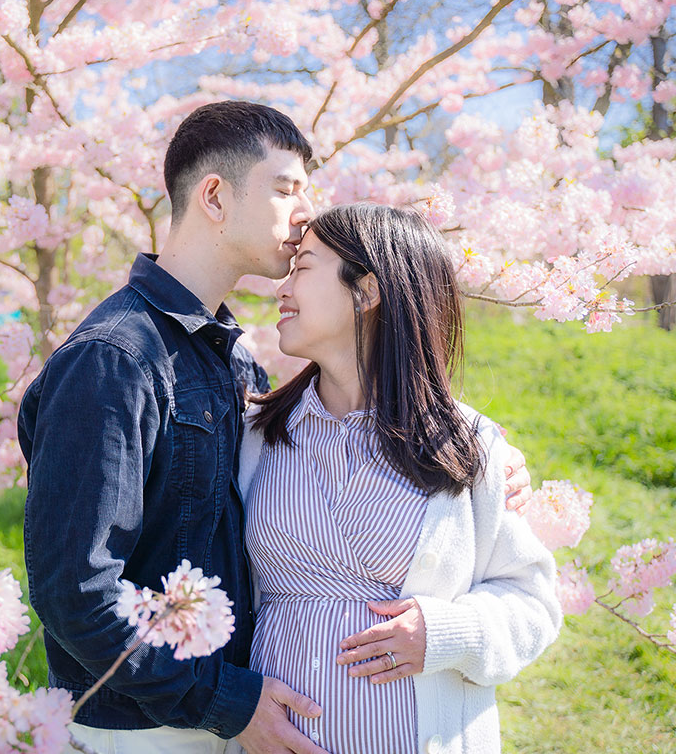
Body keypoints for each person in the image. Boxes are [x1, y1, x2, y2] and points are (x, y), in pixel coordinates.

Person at [18, 102, 532, 754]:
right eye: (286, 189)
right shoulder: (116, 357)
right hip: (147, 727)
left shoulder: (235, 364)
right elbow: (75, 589)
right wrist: (226, 702)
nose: (304, 213)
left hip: (229, 722)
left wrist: (483, 456)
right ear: (214, 196)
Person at [233, 203, 562, 754]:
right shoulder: (254, 433)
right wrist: (235, 709)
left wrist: (446, 633)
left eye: (303, 268)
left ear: (366, 290)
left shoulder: (467, 446)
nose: (281, 289)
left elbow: (532, 601)